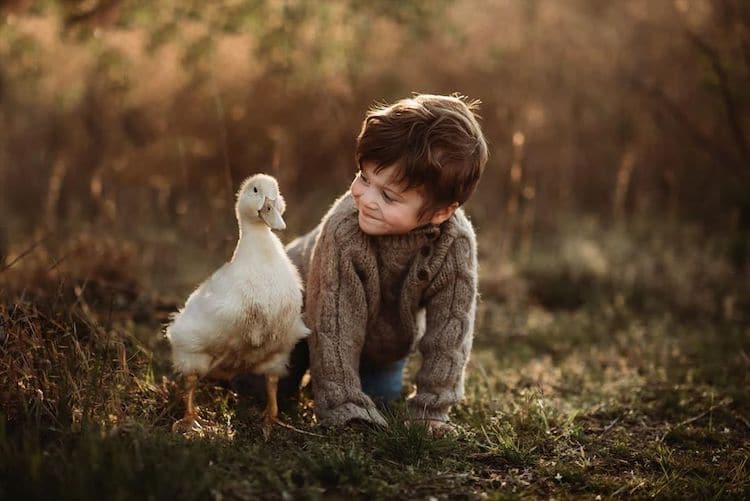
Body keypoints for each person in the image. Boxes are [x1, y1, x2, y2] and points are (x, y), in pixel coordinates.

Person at [238, 93, 488, 435]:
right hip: (289, 319)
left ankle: (342, 381)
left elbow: (450, 331)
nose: (366, 198)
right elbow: (333, 322)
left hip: (379, 343)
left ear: (442, 211)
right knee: (266, 391)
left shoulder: (454, 244)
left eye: (388, 195)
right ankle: (240, 367)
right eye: (364, 177)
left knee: (382, 401)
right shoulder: (345, 230)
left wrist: (432, 409)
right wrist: (343, 405)